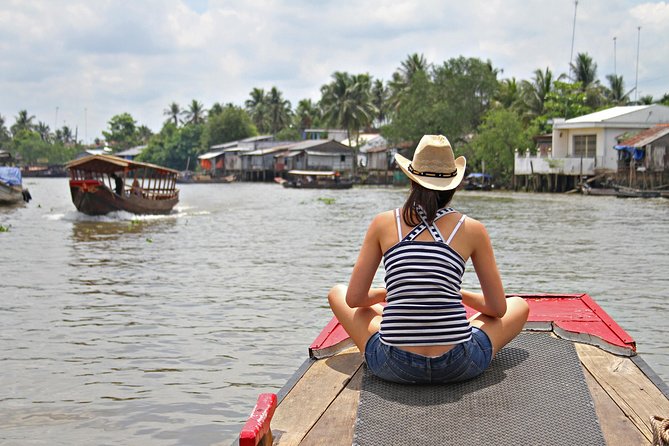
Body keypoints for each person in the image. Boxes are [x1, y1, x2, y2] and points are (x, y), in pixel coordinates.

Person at [328, 134, 529, 384]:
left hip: (393, 365)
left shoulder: (383, 223)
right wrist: (456, 294)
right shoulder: (472, 229)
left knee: (338, 292)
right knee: (518, 305)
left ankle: (398, 322)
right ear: (453, 186)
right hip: (458, 364)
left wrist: (384, 294)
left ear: (412, 181)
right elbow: (498, 309)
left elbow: (354, 299)